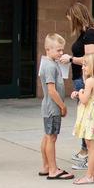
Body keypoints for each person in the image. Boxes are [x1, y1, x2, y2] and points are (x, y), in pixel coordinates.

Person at [66, 2, 94, 169]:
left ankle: (88, 155)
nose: (69, 22)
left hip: (85, 80)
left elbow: (90, 59)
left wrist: (70, 59)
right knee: (85, 118)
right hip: (81, 79)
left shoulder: (89, 35)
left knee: (87, 119)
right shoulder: (85, 34)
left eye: (70, 18)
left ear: (76, 17)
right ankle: (85, 151)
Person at [38, 33, 72, 180]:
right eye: (58, 50)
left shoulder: (46, 63)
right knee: (52, 138)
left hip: (48, 107)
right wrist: (62, 106)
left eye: (62, 50)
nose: (61, 53)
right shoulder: (50, 66)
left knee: (47, 136)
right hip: (52, 108)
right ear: (48, 49)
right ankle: (53, 169)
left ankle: (46, 166)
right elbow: (51, 90)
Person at [70, 53, 94, 185]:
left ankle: (89, 176)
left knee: (91, 146)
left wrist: (79, 92)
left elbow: (85, 100)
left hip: (89, 117)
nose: (83, 68)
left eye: (86, 65)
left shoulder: (90, 81)